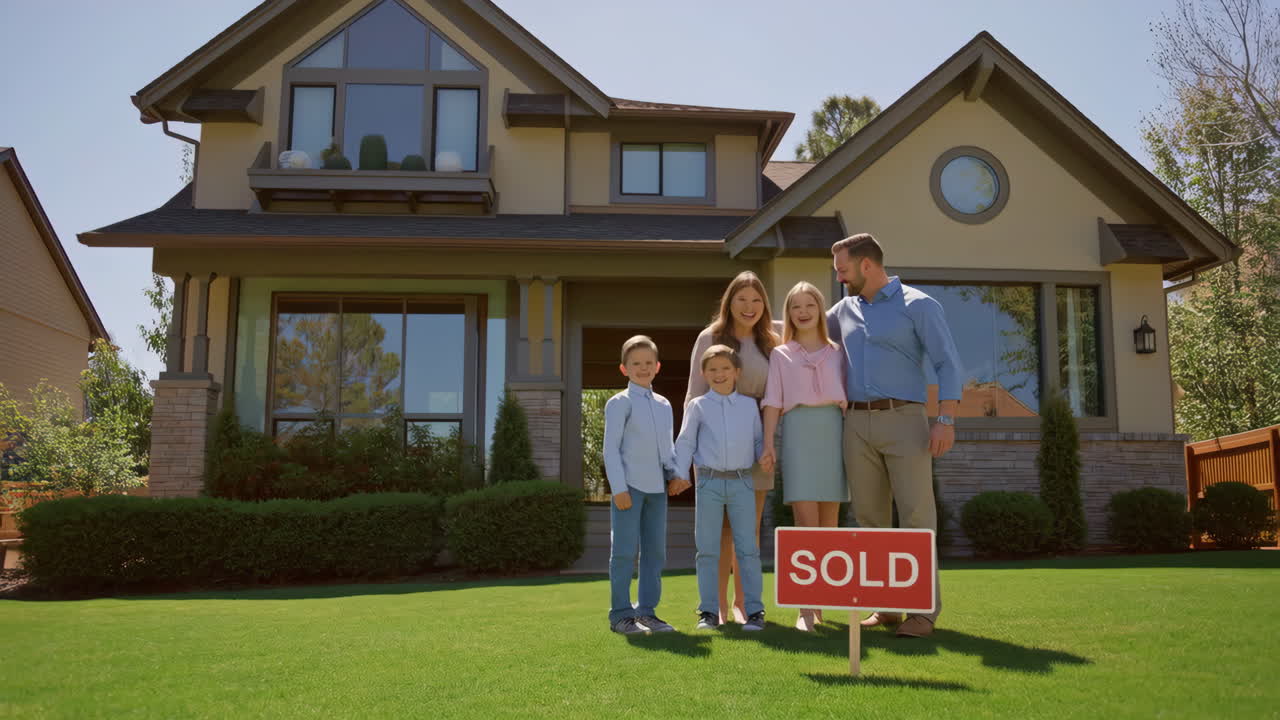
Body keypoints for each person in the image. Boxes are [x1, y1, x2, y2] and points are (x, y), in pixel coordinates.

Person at [827, 233, 963, 639]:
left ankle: (922, 612)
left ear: (866, 264)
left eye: (843, 269)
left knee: (917, 517)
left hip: (905, 420)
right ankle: (886, 608)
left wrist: (946, 420)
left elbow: (947, 364)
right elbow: (804, 328)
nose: (839, 277)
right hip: (856, 424)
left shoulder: (919, 305)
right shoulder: (842, 310)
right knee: (870, 520)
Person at [685, 271, 781, 624]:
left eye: (756, 300)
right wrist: (689, 451)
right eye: (741, 299)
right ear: (729, 302)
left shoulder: (772, 339)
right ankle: (717, 607)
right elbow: (693, 395)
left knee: (748, 528)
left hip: (756, 440)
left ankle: (745, 605)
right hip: (713, 444)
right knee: (719, 531)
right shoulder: (710, 337)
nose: (749, 307)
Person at [759, 281, 849, 632]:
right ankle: (804, 609)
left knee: (830, 527)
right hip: (798, 433)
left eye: (809, 304)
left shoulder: (838, 352)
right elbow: (772, 402)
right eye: (795, 306)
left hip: (833, 434)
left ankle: (822, 603)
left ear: (819, 309)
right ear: (789, 314)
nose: (803, 312)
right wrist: (769, 443)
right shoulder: (781, 355)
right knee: (804, 524)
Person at [674, 344, 772, 632]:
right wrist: (680, 473)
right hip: (709, 484)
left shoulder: (748, 405)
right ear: (704, 374)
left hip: (743, 483)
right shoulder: (698, 406)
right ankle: (708, 612)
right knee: (707, 550)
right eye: (713, 369)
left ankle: (755, 612)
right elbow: (686, 441)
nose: (719, 374)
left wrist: (763, 455)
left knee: (748, 549)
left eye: (725, 368)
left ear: (737, 372)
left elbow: (756, 441)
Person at [603, 335, 689, 634]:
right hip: (628, 489)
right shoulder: (619, 403)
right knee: (624, 552)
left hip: (657, 492)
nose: (643, 367)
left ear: (657, 367)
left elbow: (667, 450)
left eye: (648, 363)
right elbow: (610, 449)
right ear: (624, 368)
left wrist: (676, 474)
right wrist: (619, 489)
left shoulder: (664, 405)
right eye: (636, 363)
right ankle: (620, 615)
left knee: (655, 553)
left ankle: (647, 613)